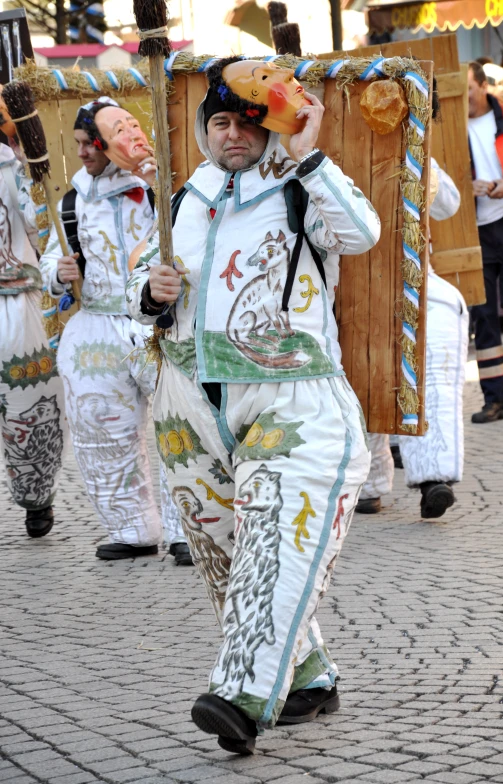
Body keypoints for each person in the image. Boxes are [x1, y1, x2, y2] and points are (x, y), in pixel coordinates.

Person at [126, 56, 380, 754]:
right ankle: (308, 676)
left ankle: (239, 696)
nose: (232, 134)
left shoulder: (298, 184)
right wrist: (152, 298)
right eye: (219, 121)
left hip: (291, 396)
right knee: (223, 553)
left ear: (268, 128)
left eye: (247, 121)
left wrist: (307, 156)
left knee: (274, 539)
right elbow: (139, 292)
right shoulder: (183, 197)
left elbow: (362, 234)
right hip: (190, 404)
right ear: (204, 131)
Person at [39, 97, 191, 563]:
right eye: (79, 143)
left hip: (155, 324)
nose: (82, 152)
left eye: (90, 143)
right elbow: (49, 258)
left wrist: (160, 188)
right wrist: (57, 271)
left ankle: (187, 526)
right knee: (103, 429)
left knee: (178, 424)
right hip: (96, 327)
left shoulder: (154, 188)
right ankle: (131, 527)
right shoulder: (72, 200)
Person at [357, 159, 469, 519]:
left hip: (417, 282)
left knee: (436, 353)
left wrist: (422, 155)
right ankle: (365, 483)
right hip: (344, 287)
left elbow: (448, 204)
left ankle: (434, 479)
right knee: (356, 378)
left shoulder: (413, 141)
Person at [0, 138, 68, 537]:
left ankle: (36, 498)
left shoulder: (14, 168)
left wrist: (29, 173)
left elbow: (40, 229)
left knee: (28, 404)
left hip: (15, 300)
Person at [468, 61, 503, 423]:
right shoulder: (448, 127)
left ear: (483, 85)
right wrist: (462, 187)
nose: (463, 99)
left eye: (468, 90)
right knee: (484, 314)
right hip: (472, 230)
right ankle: (495, 400)